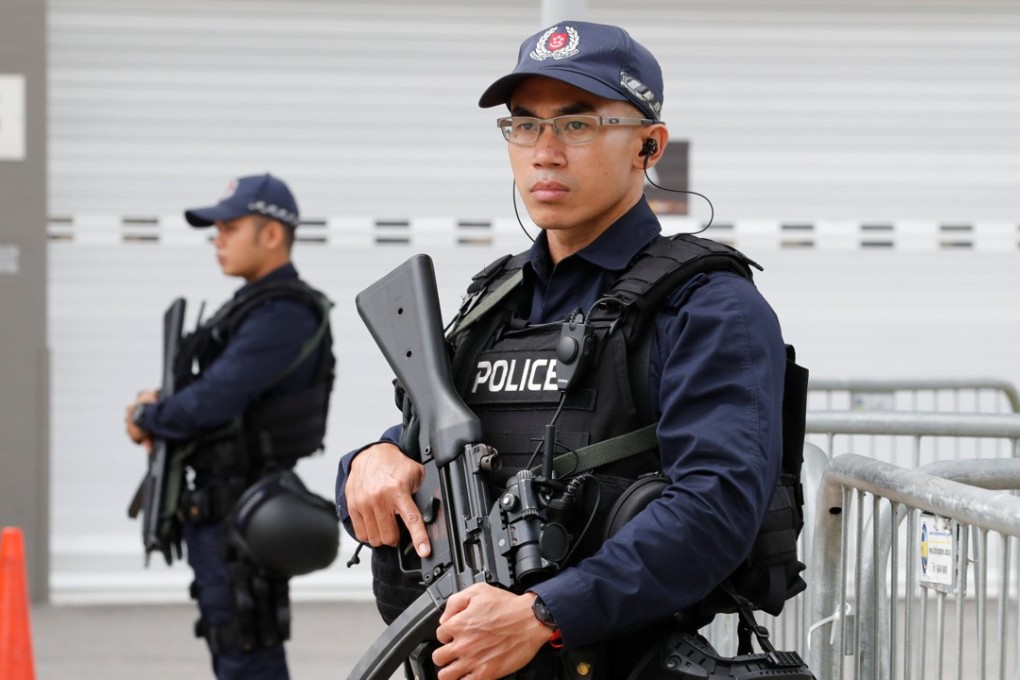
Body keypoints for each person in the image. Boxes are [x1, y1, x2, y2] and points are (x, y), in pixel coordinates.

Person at [336, 21, 792, 680]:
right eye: (524, 126)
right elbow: (428, 450)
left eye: (577, 125)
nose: (544, 151)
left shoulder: (707, 307)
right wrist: (369, 462)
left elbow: (715, 509)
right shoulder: (492, 304)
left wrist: (542, 615)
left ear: (647, 146)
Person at [125, 173, 336, 680]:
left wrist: (145, 416)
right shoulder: (253, 306)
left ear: (271, 234)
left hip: (241, 513)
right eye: (215, 229)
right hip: (226, 509)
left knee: (246, 649)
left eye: (229, 227)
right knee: (236, 646)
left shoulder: (283, 312)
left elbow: (214, 400)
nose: (217, 239)